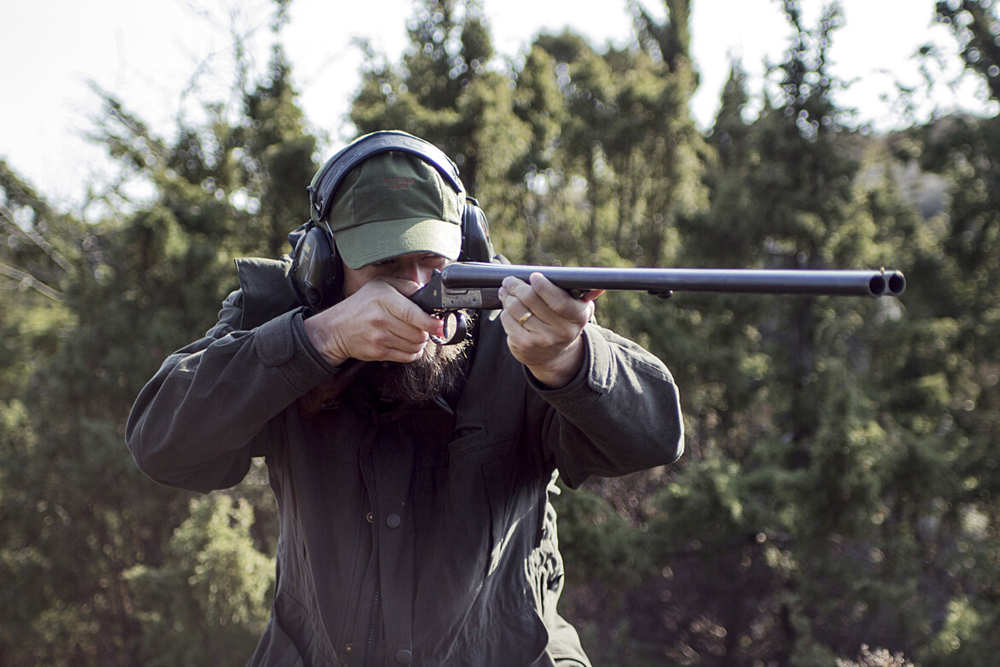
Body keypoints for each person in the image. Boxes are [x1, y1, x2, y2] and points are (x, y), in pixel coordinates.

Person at [126, 130, 684, 667]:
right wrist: (317, 341)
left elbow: (655, 437)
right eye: (386, 266)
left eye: (433, 263)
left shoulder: (522, 333)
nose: (419, 288)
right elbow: (160, 443)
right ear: (325, 269)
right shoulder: (285, 327)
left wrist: (567, 362)